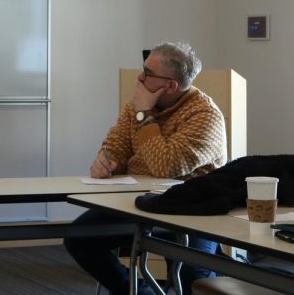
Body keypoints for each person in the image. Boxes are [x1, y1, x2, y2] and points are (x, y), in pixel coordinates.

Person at [64, 41, 228, 295]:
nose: (140, 78)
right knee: (80, 238)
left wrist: (144, 113)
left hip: (190, 212)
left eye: (148, 74)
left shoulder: (204, 115)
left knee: (191, 276)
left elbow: (166, 166)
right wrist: (106, 160)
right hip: (138, 203)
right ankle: (139, 292)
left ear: (170, 85)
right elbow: (115, 144)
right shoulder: (138, 107)